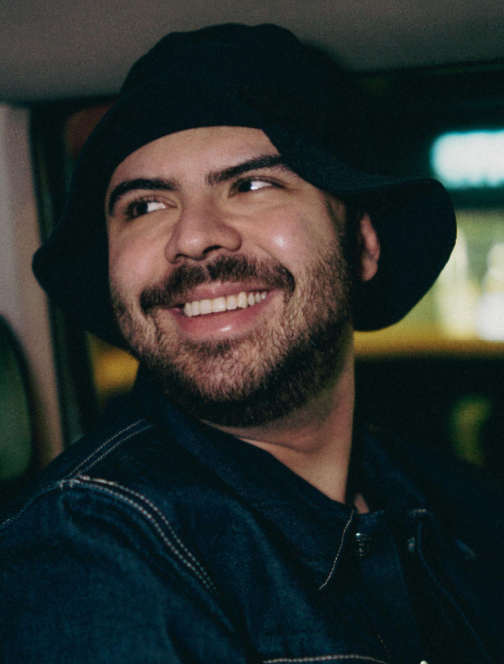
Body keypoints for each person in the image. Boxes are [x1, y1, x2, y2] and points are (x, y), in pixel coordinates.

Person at [0, 23, 503, 664]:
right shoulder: (89, 552)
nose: (193, 238)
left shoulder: (457, 508)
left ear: (362, 246)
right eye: (145, 205)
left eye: (252, 185)